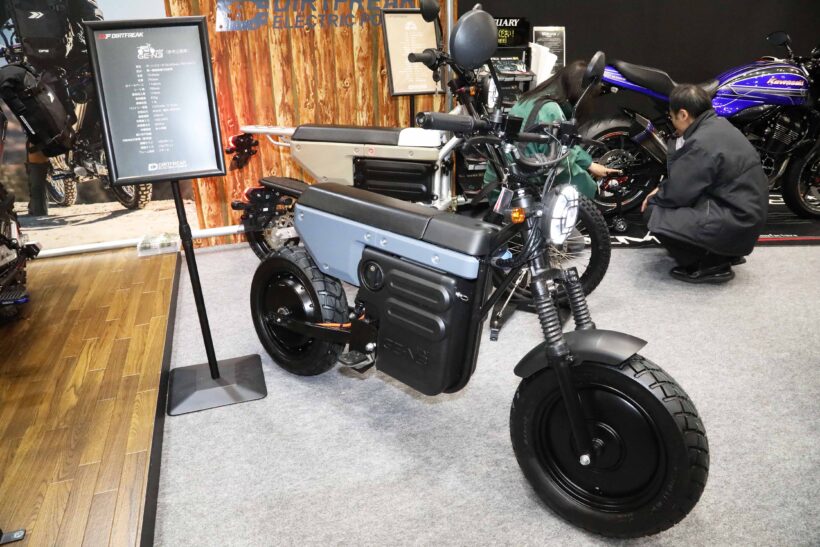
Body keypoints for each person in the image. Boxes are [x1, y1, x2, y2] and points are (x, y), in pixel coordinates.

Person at [642, 84, 768, 283]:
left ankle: (709, 264)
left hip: (736, 221)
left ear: (683, 115)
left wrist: (656, 196)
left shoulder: (701, 142)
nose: (673, 122)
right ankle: (724, 253)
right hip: (744, 217)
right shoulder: (720, 126)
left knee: (653, 211)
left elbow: (678, 193)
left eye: (672, 117)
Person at [0, 0, 103, 216]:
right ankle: (40, 197)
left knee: (39, 116)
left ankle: (38, 202)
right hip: (71, 54)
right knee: (43, 112)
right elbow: (91, 13)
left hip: (35, 59)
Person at [483, 60, 620, 200]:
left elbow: (562, 145)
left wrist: (589, 164)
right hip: (516, 193)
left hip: (498, 183)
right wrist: (593, 189)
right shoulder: (550, 111)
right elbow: (563, 164)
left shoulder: (531, 98)